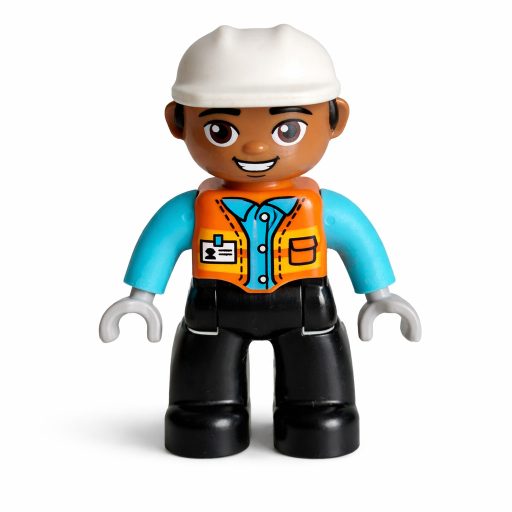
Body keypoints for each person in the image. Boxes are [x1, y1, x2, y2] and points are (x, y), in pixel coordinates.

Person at [99, 25, 421, 459]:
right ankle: (206, 412)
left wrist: (380, 295)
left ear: (335, 120)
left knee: (318, 390)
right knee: (204, 389)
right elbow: (161, 242)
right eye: (221, 130)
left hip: (305, 308)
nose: (255, 147)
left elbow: (358, 242)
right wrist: (140, 298)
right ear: (178, 122)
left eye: (287, 130)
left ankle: (317, 412)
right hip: (214, 309)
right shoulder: (193, 209)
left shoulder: (324, 208)